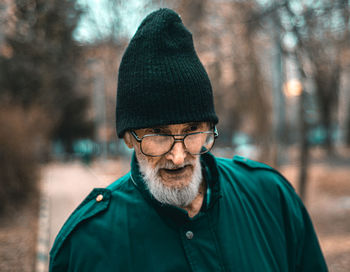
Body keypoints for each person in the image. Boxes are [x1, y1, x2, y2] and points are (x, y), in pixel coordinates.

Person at [49, 8, 328, 271]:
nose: (179, 156)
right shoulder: (86, 244)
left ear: (209, 126)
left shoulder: (271, 198)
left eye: (193, 129)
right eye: (159, 133)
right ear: (128, 139)